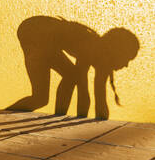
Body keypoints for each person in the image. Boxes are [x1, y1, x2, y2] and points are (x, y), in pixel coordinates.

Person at [8, 16, 140, 119]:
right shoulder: (90, 48)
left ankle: (57, 115)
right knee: (44, 95)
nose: (126, 65)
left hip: (36, 31)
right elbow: (83, 90)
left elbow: (99, 96)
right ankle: (57, 116)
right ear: (116, 53)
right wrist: (78, 120)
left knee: (43, 97)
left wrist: (99, 120)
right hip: (34, 31)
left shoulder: (102, 60)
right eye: (127, 59)